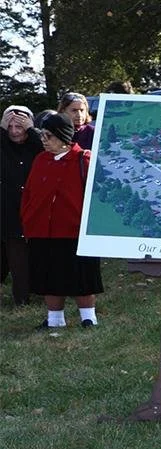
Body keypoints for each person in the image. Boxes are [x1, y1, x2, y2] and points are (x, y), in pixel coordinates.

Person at [20, 114, 100, 328]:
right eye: (42, 135)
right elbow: (29, 192)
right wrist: (28, 218)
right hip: (41, 230)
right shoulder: (40, 159)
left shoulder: (83, 158)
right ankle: (55, 320)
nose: (43, 140)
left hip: (73, 230)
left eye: (48, 136)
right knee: (48, 276)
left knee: (81, 276)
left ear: (63, 136)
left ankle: (88, 318)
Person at [1, 105, 41, 307]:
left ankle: (41, 291)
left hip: (35, 208)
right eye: (10, 127)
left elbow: (48, 147)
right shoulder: (3, 145)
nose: (15, 132)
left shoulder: (36, 144)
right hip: (8, 209)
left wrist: (33, 130)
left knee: (38, 254)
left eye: (20, 127)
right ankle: (21, 299)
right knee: (16, 256)